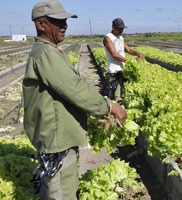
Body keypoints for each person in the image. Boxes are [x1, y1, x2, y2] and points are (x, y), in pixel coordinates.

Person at [24, 0, 127, 199]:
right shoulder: (46, 53)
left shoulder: (49, 51)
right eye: (58, 21)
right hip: (57, 139)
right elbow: (74, 88)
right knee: (62, 192)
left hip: (59, 137)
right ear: (41, 24)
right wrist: (108, 106)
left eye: (65, 21)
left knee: (63, 186)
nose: (65, 26)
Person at [103, 18, 145, 103]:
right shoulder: (108, 38)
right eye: (119, 29)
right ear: (113, 28)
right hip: (113, 71)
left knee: (124, 94)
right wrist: (128, 61)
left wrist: (138, 53)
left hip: (123, 70)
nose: (121, 31)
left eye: (122, 29)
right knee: (114, 96)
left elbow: (128, 50)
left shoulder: (120, 38)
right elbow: (114, 54)